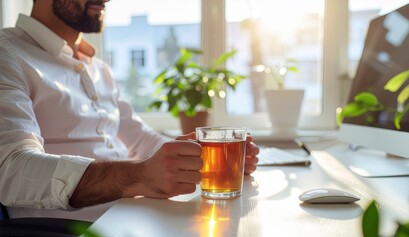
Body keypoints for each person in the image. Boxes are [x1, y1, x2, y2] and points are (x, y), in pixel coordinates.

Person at [0, 0, 259, 222]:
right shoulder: (7, 55)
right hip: (81, 231)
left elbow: (140, 139)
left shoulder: (98, 68)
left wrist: (206, 158)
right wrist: (138, 176)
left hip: (137, 216)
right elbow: (10, 170)